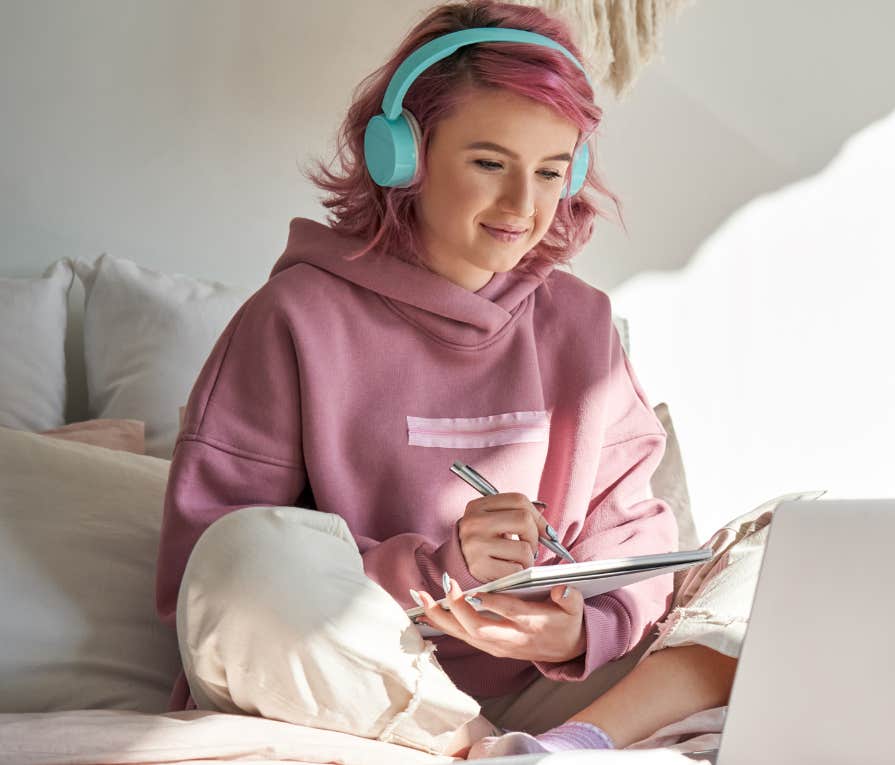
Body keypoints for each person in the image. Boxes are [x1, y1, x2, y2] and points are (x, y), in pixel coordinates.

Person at [153, 1, 763, 758]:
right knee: (241, 558)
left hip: (546, 685)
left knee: (782, 539)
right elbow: (202, 574)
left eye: (549, 172)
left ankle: (572, 743)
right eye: (489, 163)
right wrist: (441, 572)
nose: (524, 206)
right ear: (401, 155)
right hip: (353, 679)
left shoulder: (583, 323)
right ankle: (480, 747)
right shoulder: (294, 318)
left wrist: (583, 627)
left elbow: (636, 532)